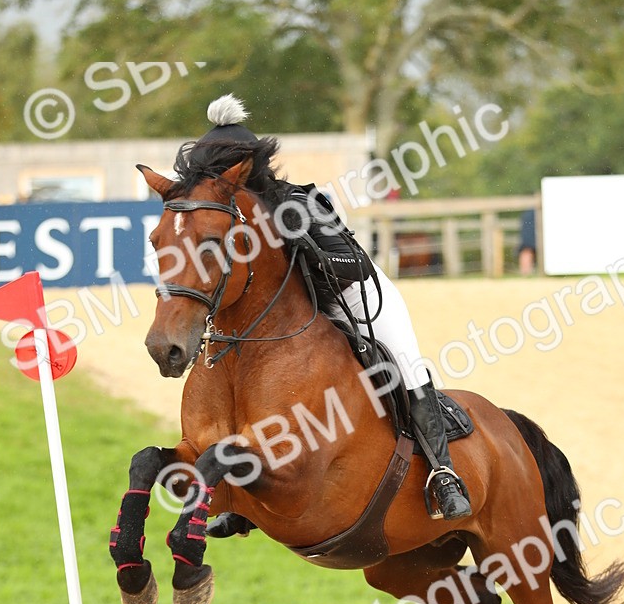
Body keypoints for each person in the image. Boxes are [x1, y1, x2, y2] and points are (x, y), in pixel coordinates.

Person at [184, 95, 471, 521]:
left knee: (405, 364)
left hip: (352, 296)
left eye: (221, 174)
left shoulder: (298, 203)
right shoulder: (222, 218)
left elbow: (351, 265)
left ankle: (443, 475)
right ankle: (242, 496)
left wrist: (305, 253)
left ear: (245, 170)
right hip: (297, 314)